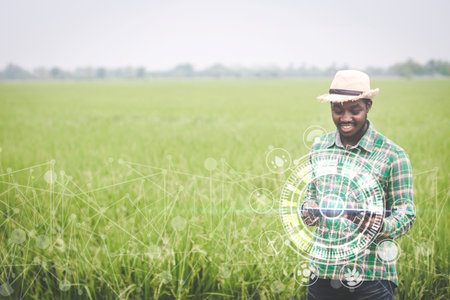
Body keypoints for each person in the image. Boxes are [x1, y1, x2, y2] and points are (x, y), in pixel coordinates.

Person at [300, 70, 415, 300]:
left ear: (368, 107)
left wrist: (379, 225)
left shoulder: (393, 155)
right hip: (322, 273)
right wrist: (307, 209)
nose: (345, 118)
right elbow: (311, 196)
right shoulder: (319, 148)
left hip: (371, 277)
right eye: (337, 110)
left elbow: (406, 214)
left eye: (355, 111)